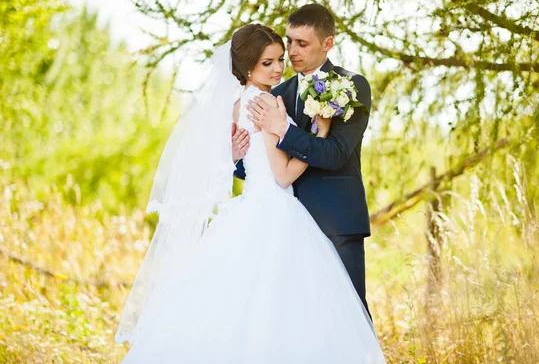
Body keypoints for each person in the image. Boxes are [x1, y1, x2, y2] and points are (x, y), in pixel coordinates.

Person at [115, 23, 386, 364]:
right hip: (274, 210)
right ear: (247, 68)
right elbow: (283, 175)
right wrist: (321, 134)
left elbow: (246, 160)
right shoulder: (265, 103)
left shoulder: (239, 102)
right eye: (267, 63)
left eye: (279, 60)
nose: (278, 69)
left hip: (252, 207)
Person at [235, 4, 373, 312]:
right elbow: (264, 166)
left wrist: (283, 128)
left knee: (349, 316)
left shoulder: (351, 87)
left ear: (327, 44)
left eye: (302, 43)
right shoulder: (276, 92)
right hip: (287, 224)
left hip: (336, 222)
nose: (292, 51)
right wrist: (238, 158)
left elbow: (336, 154)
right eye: (290, 41)